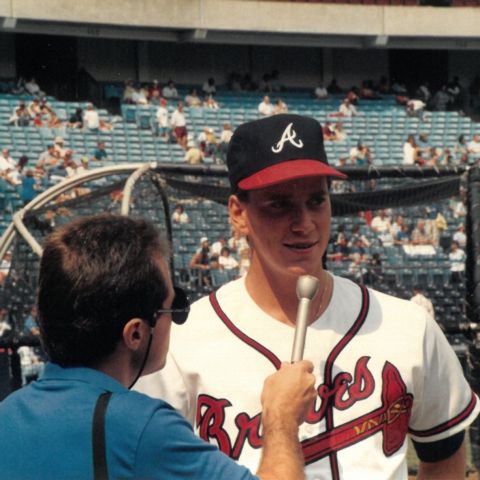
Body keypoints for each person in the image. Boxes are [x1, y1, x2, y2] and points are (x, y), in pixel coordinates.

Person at [136, 114, 479, 480]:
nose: (304, 223)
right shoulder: (181, 345)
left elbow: (444, 455)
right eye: (279, 205)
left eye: (316, 200)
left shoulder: (407, 327)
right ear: (238, 213)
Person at [0, 213, 316, 480]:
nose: (177, 318)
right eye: (173, 307)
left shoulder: (7, 414)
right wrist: (282, 420)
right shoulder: (141, 427)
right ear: (135, 334)